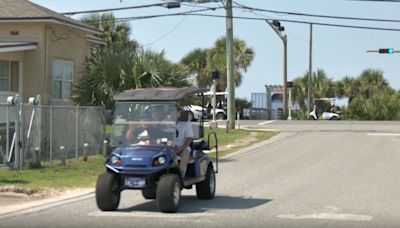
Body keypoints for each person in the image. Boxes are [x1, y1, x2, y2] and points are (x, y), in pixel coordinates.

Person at [175, 107, 194, 177]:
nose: (174, 113)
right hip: (167, 147)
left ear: (179, 113)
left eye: (176, 111)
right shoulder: (165, 123)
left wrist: (181, 148)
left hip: (182, 147)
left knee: (186, 152)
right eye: (172, 111)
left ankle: (180, 173)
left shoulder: (185, 124)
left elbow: (189, 138)